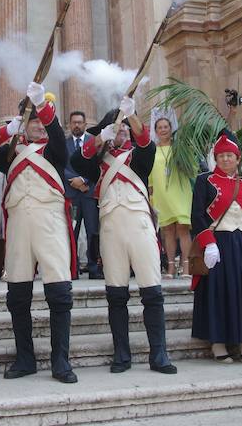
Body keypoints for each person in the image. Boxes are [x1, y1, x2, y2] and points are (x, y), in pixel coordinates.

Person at [0, 83, 78, 384]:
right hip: (18, 226)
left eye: (41, 121)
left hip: (50, 224)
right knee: (18, 296)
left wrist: (41, 107)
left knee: (59, 295)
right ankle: (25, 358)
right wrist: (8, 130)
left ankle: (61, 361)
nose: (38, 126)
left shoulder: (55, 150)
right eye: (32, 121)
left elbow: (58, 136)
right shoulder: (11, 153)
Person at [71, 99, 177, 375]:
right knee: (116, 295)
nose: (121, 133)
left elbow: (145, 143)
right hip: (110, 230)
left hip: (140, 226)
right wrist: (99, 139)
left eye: (123, 129)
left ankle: (159, 354)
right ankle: (121, 355)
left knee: (152, 292)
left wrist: (130, 116)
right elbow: (76, 161)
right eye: (116, 129)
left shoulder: (139, 155)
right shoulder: (97, 160)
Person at [191, 134, 242, 363]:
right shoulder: (204, 181)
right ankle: (218, 343)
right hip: (220, 243)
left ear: (238, 159)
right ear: (215, 158)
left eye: (230, 156)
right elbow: (197, 216)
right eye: (221, 156)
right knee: (220, 294)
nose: (226, 159)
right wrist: (209, 244)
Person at [149, 117, 193, 279]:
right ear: (156, 131)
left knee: (182, 228)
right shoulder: (153, 149)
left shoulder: (180, 147)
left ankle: (187, 267)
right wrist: (151, 193)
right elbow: (150, 175)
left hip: (180, 192)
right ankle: (171, 268)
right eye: (159, 127)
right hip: (161, 193)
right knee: (167, 230)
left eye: (166, 126)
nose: (163, 130)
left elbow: (192, 168)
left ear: (170, 128)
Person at [65, 111, 101, 279]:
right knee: (72, 231)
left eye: (80, 122)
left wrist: (84, 180)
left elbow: (98, 164)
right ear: (70, 125)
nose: (77, 125)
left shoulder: (93, 142)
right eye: (74, 122)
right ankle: (73, 269)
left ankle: (94, 268)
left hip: (89, 193)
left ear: (85, 125)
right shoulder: (63, 144)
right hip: (72, 194)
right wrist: (74, 180)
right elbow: (60, 166)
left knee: (93, 231)